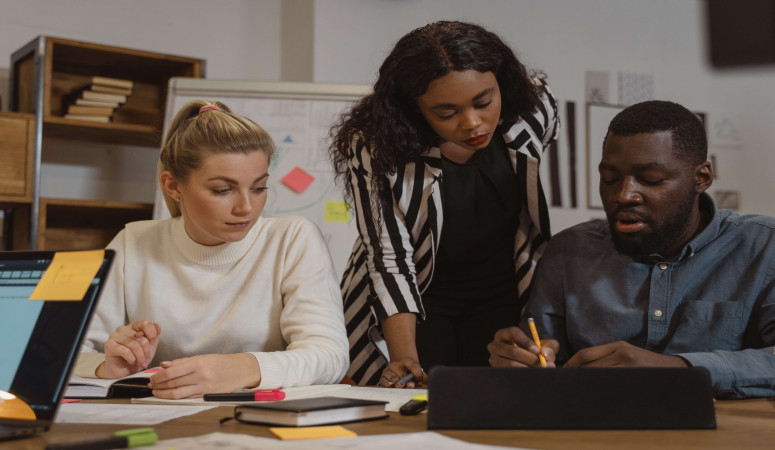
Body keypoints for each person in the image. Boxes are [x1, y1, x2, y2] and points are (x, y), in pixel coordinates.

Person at [488, 100, 775, 399]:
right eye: (610, 179)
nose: (624, 195)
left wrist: (678, 369)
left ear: (700, 178)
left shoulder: (763, 246)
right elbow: (543, 357)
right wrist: (522, 360)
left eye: (650, 180)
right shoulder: (568, 251)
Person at [330, 21, 559, 387]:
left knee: (495, 399)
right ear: (414, 109)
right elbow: (389, 257)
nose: (473, 123)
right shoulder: (376, 144)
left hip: (503, 287)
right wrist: (404, 358)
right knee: (417, 400)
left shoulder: (534, 106)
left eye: (484, 102)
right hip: (417, 298)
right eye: (447, 113)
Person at [74, 100, 349, 398]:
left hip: (258, 417)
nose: (246, 207)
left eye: (259, 188)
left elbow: (329, 355)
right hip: (156, 414)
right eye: (222, 190)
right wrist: (108, 366)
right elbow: (63, 354)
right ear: (173, 186)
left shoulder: (293, 239)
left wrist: (244, 368)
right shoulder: (133, 242)